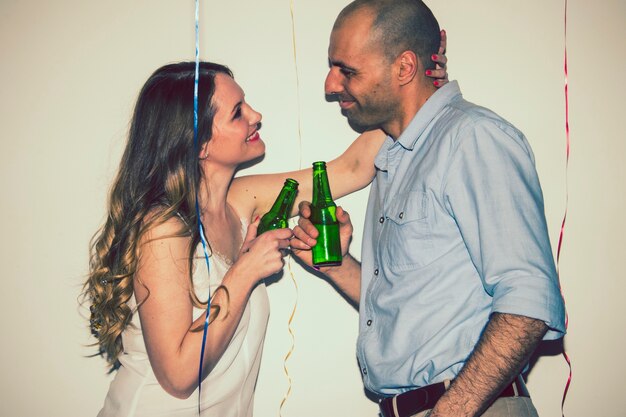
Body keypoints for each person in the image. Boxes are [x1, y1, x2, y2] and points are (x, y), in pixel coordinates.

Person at [83, 57, 448, 416]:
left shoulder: (241, 201)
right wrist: (245, 270)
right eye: (238, 111)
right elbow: (178, 376)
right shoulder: (162, 227)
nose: (256, 115)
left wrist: (414, 89)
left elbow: (351, 169)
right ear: (200, 144)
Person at [291, 1, 566, 417]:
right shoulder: (396, 155)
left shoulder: (472, 139)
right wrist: (337, 266)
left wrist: (449, 412)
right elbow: (413, 306)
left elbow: (529, 299)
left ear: (404, 68)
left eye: (347, 70)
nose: (331, 85)